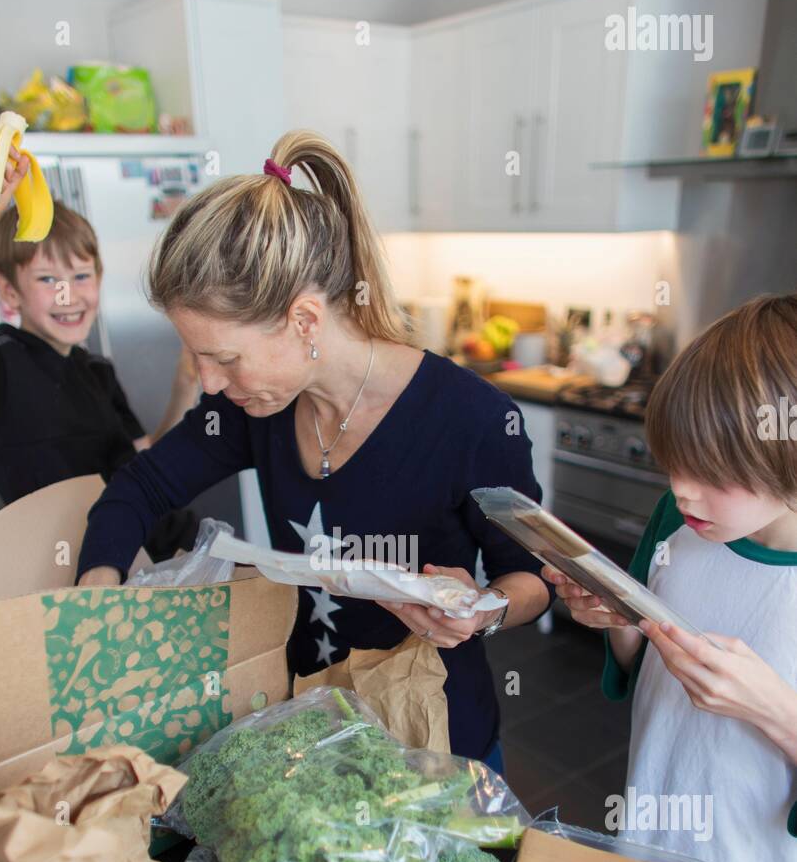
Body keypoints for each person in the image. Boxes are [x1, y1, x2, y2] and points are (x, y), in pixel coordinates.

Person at [77, 130, 553, 767]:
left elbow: (533, 580)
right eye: (197, 357)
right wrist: (99, 599)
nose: (209, 382)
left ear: (304, 320)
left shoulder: (473, 419)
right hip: (310, 733)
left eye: (222, 357)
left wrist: (483, 611)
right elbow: (138, 489)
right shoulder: (251, 408)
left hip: (438, 742)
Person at [544, 294, 797, 862]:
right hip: (656, 830)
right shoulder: (679, 519)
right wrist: (617, 624)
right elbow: (643, 665)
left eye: (714, 470)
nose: (684, 490)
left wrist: (775, 710)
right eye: (674, 464)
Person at [0, 145, 200, 553]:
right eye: (46, 279)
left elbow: (148, 466)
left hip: (166, 550)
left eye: (80, 275)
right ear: (8, 290)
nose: (67, 295)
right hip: (79, 567)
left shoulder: (96, 369)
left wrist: (184, 387)